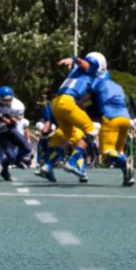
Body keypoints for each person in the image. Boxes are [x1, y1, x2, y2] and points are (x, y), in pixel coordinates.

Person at [36, 52, 107, 182]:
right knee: (91, 131)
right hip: (68, 101)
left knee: (67, 138)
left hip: (56, 103)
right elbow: (87, 65)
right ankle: (73, 161)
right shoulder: (89, 68)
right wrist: (74, 59)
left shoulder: (76, 73)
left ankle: (47, 166)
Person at [90, 78, 135, 186]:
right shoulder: (117, 86)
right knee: (119, 150)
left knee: (107, 151)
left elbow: (92, 100)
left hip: (111, 117)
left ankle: (125, 162)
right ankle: (128, 176)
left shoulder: (96, 83)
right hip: (125, 118)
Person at [0, 86, 32, 181]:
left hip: (9, 130)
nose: (7, 102)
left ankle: (15, 161)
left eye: (9, 100)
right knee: (11, 156)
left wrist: (10, 120)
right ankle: (8, 167)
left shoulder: (18, 105)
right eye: (4, 100)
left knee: (27, 148)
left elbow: (17, 119)